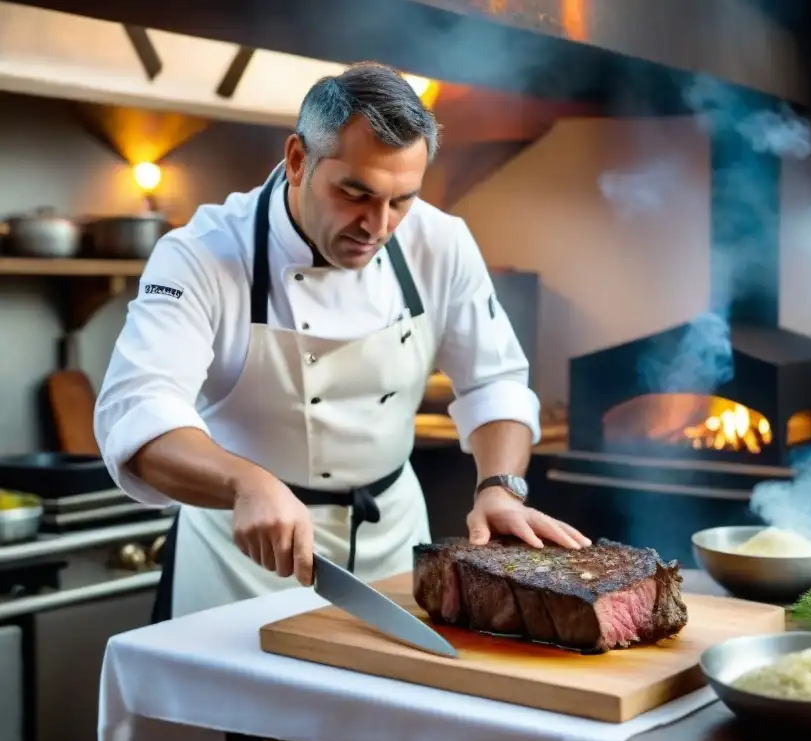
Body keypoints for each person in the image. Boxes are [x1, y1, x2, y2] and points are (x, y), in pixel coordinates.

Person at [93, 62, 590, 622]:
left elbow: (494, 379)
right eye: (355, 193)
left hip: (393, 546)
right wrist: (244, 482)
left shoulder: (441, 241)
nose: (377, 226)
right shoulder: (202, 254)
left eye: (401, 200)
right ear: (298, 160)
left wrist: (501, 486)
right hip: (242, 558)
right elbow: (137, 411)